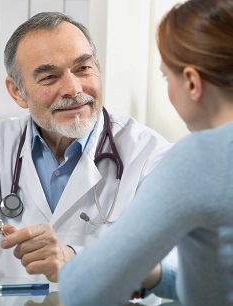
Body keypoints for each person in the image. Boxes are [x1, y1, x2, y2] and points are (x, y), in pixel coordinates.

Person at [0, 12, 171, 284]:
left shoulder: (148, 153)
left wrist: (77, 260)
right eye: (50, 77)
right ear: (17, 91)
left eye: (83, 68)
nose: (73, 89)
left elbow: (170, 265)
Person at [58, 0, 233, 305]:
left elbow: (84, 290)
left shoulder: (201, 158)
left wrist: (77, 259)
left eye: (167, 77)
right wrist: (153, 275)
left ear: (192, 82)